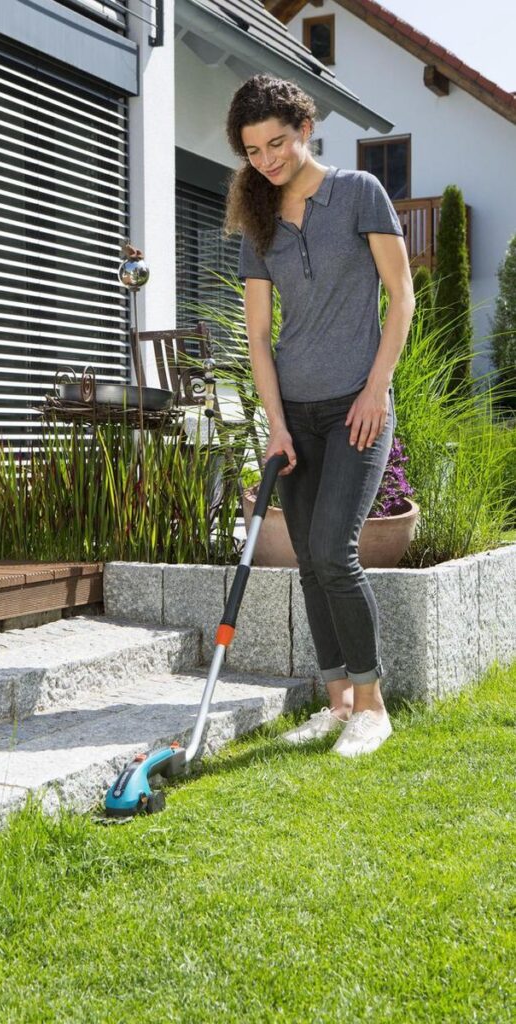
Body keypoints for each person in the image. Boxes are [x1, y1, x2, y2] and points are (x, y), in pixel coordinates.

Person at [225, 75, 415, 757]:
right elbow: (256, 336)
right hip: (294, 414)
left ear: (304, 129)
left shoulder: (359, 193)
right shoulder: (259, 220)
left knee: (335, 549)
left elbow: (401, 296)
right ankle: (336, 704)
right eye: (253, 150)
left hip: (356, 408)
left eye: (277, 142)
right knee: (309, 560)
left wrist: (377, 388)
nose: (268, 159)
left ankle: (374, 705)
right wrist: (274, 424)